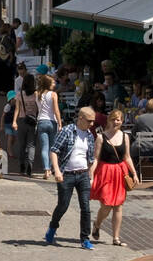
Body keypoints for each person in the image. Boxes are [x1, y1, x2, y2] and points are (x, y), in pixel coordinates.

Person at [44, 106, 97, 249]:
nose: (92, 124)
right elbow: (54, 151)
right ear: (80, 118)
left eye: (93, 121)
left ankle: (85, 239)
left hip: (83, 174)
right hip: (66, 174)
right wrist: (57, 171)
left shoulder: (90, 135)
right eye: (89, 121)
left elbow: (91, 158)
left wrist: (91, 174)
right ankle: (52, 227)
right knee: (63, 205)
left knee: (85, 207)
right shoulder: (67, 131)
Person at [90, 109, 136, 246]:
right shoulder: (101, 137)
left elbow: (127, 157)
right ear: (109, 120)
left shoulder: (125, 137)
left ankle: (116, 238)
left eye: (119, 120)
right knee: (106, 205)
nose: (116, 122)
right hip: (105, 172)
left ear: (122, 122)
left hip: (120, 172)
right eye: (113, 119)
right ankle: (97, 224)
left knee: (118, 206)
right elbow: (96, 158)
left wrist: (134, 173)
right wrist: (91, 174)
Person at [34, 73, 61, 179]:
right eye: (53, 82)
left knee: (44, 147)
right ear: (48, 83)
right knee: (52, 147)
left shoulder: (37, 94)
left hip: (41, 121)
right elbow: (56, 110)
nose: (54, 84)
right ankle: (50, 168)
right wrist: (60, 123)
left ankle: (46, 169)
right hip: (52, 121)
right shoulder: (53, 94)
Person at [13, 74, 40, 176]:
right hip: (33, 121)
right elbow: (39, 108)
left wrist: (14, 121)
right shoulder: (36, 94)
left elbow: (17, 109)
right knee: (31, 145)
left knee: (22, 145)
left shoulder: (20, 94)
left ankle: (22, 166)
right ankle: (30, 165)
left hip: (22, 120)